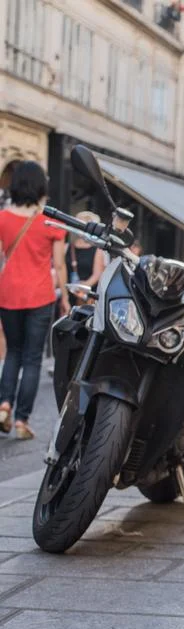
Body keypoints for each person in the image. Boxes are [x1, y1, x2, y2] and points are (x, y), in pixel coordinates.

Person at [0, 160, 69, 439]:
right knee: (32, 358)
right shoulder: (51, 221)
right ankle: (21, 420)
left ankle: (4, 404)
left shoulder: (2, 218)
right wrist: (64, 296)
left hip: (8, 293)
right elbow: (60, 265)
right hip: (39, 295)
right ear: (41, 186)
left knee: (12, 353)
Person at [67, 211, 107, 304]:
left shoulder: (97, 250)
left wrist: (81, 287)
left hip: (87, 295)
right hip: (69, 294)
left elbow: (97, 275)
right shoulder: (68, 247)